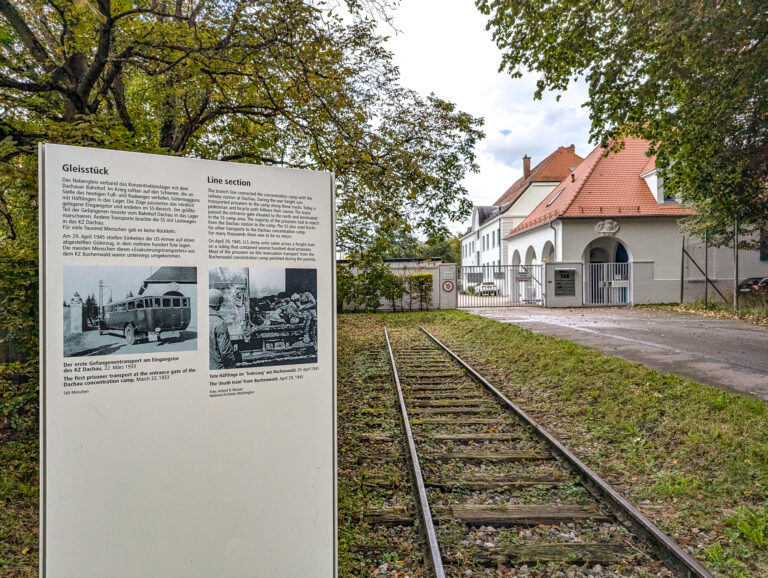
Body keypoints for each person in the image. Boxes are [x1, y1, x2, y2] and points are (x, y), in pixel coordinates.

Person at [209, 288, 236, 369]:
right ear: (219, 306)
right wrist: (231, 366)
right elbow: (225, 351)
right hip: (217, 368)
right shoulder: (219, 322)